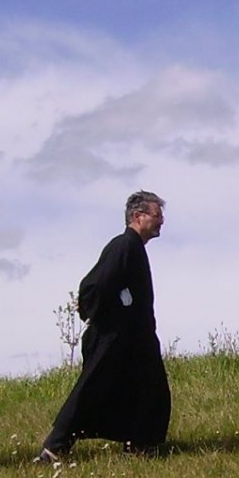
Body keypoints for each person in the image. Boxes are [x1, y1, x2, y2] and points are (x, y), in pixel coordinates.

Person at [39, 191, 171, 462]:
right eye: (157, 215)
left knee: (146, 389)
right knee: (93, 389)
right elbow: (94, 285)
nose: (162, 221)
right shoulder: (123, 245)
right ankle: (55, 448)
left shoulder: (133, 247)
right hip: (115, 336)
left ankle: (139, 444)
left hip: (133, 338)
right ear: (138, 216)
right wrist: (107, 313)